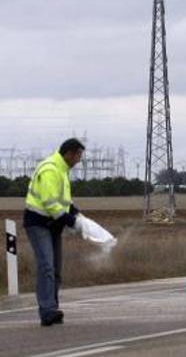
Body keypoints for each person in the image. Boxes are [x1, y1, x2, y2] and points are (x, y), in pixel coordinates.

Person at [23, 138, 85, 326]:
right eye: (78, 156)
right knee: (47, 267)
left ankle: (52, 308)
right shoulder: (50, 169)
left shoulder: (62, 170)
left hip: (53, 225)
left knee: (56, 269)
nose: (79, 161)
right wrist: (71, 221)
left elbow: (64, 201)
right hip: (39, 223)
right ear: (69, 154)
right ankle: (47, 311)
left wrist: (77, 214)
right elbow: (51, 204)